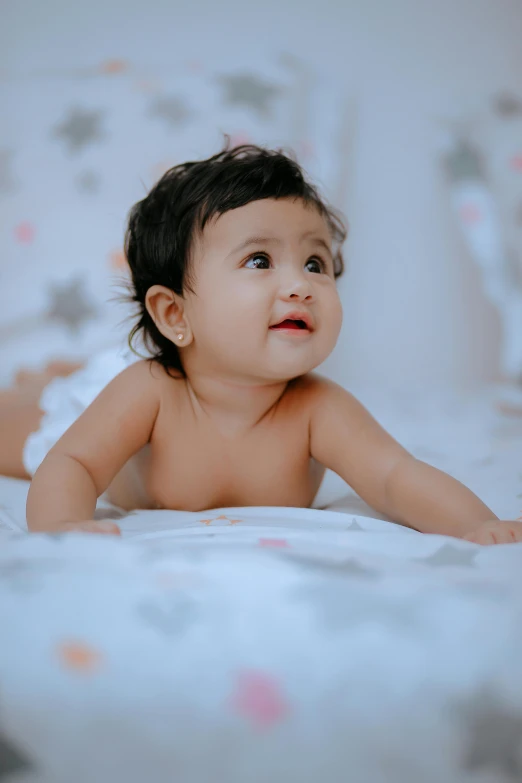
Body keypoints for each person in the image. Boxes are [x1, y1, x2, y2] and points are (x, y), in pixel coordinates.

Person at [0, 143, 520, 545]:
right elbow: (75, 464)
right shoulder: (149, 390)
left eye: (315, 263)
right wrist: (64, 524)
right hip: (98, 399)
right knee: (20, 431)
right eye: (259, 261)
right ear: (176, 314)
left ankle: (58, 370)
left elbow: (395, 477)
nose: (301, 285)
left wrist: (478, 525)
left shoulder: (318, 408)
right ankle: (49, 379)